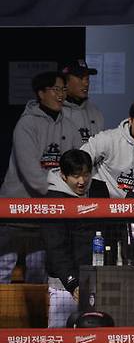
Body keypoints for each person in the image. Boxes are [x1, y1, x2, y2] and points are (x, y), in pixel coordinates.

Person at [0, 71, 80, 284]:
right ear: (41, 93)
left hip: (45, 214)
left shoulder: (70, 127)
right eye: (55, 89)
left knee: (37, 275)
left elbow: (78, 166)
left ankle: (36, 319)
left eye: (63, 89)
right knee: (3, 269)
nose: (61, 94)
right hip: (15, 211)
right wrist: (62, 196)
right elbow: (33, 175)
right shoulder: (26, 125)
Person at [41, 149, 109, 327]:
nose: (82, 181)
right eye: (76, 176)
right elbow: (55, 247)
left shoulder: (99, 190)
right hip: (65, 285)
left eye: (86, 174)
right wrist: (72, 283)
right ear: (63, 175)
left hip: (98, 280)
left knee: (98, 337)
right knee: (59, 339)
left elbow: (109, 233)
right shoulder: (52, 199)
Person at [60, 59, 105, 147]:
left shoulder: (95, 112)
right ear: (65, 81)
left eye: (87, 78)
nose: (86, 83)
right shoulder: (55, 112)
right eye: (80, 78)